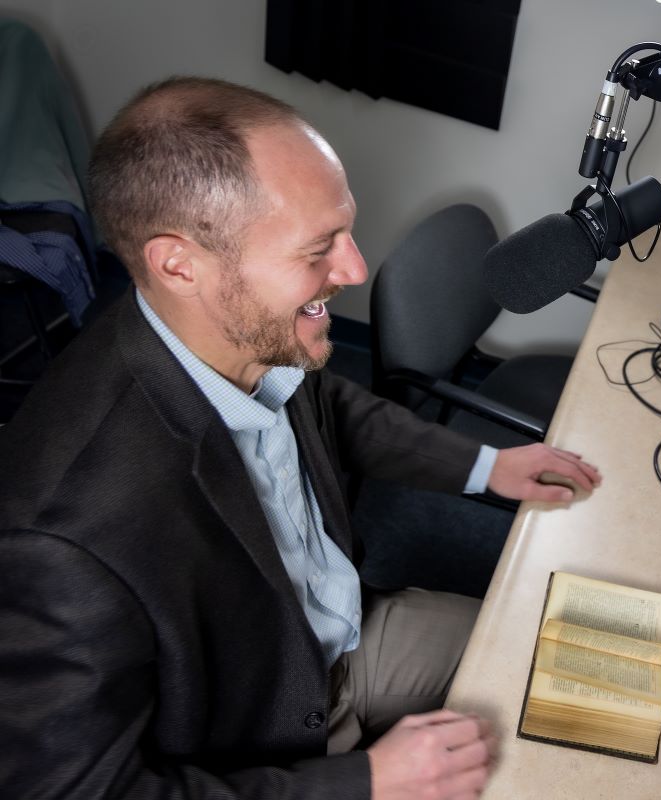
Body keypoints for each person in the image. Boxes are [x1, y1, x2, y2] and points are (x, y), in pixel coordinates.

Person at [0, 76, 601, 799]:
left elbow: (331, 407)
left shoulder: (254, 336)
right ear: (179, 264)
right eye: (318, 249)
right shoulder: (60, 542)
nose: (354, 269)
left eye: (346, 233)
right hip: (260, 750)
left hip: (342, 636)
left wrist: (486, 465)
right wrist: (364, 782)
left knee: (578, 661)